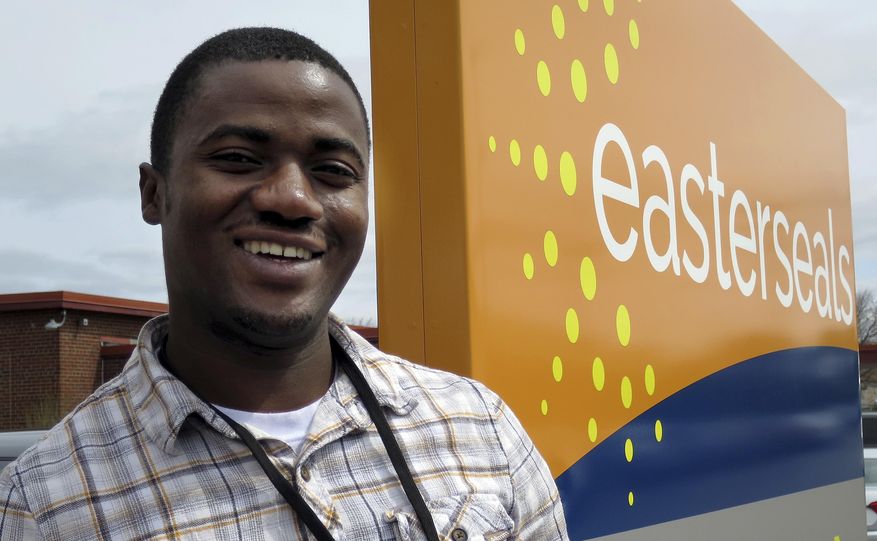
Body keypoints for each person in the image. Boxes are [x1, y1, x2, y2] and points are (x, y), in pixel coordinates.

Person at [0, 28, 568, 540]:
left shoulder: (479, 428)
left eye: (333, 172)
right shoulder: (42, 507)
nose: (293, 200)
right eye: (239, 158)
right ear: (154, 193)